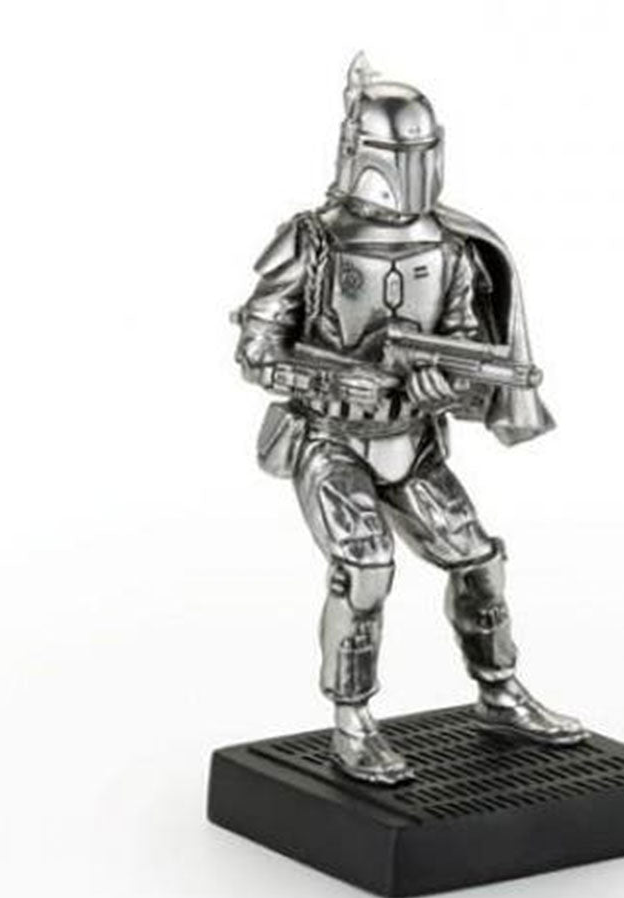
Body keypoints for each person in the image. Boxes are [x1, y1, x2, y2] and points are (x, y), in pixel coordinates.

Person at [234, 54, 587, 784]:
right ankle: (352, 722)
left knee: (479, 561)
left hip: (412, 441)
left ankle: (499, 692)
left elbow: (463, 345)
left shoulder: (451, 249)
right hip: (331, 438)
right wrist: (335, 378)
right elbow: (257, 347)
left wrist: (439, 386)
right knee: (364, 568)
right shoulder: (313, 241)